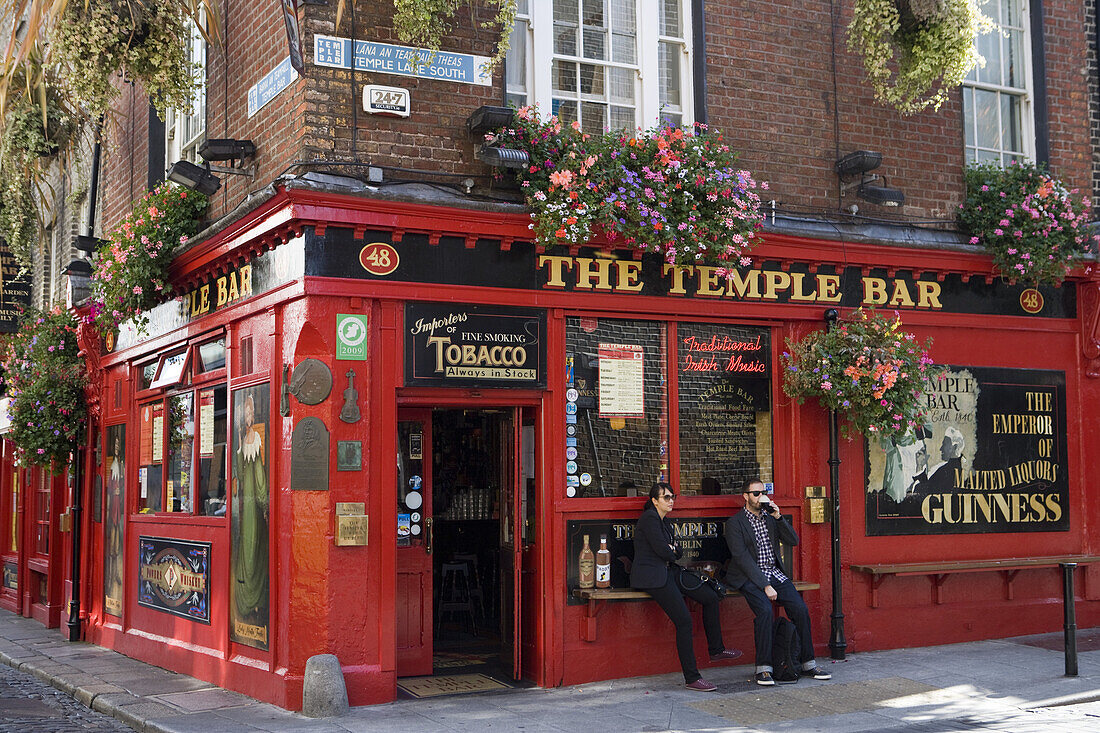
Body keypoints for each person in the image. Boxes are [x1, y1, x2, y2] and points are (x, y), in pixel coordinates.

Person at [630, 482, 742, 692]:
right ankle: (692, 677)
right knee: (684, 621)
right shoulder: (650, 519)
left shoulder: (665, 522)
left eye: (673, 497)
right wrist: (671, 549)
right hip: (653, 577)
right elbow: (665, 551)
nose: (671, 501)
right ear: (654, 501)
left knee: (711, 596)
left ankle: (716, 649)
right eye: (666, 498)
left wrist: (672, 549)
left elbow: (677, 552)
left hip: (670, 571)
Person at [725, 478, 831, 686]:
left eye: (763, 492)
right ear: (745, 496)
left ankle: (808, 663)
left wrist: (779, 516)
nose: (760, 496)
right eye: (755, 493)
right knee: (764, 611)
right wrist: (765, 585)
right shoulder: (735, 523)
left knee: (800, 609)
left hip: (774, 573)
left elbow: (793, 541)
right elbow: (742, 558)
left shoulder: (770, 518)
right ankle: (763, 669)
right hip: (748, 576)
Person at [912, 426, 964, 494]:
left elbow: (923, 492)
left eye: (944, 444)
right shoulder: (952, 468)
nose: (941, 448)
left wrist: (920, 466)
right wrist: (920, 465)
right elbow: (929, 487)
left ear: (954, 447)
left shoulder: (947, 471)